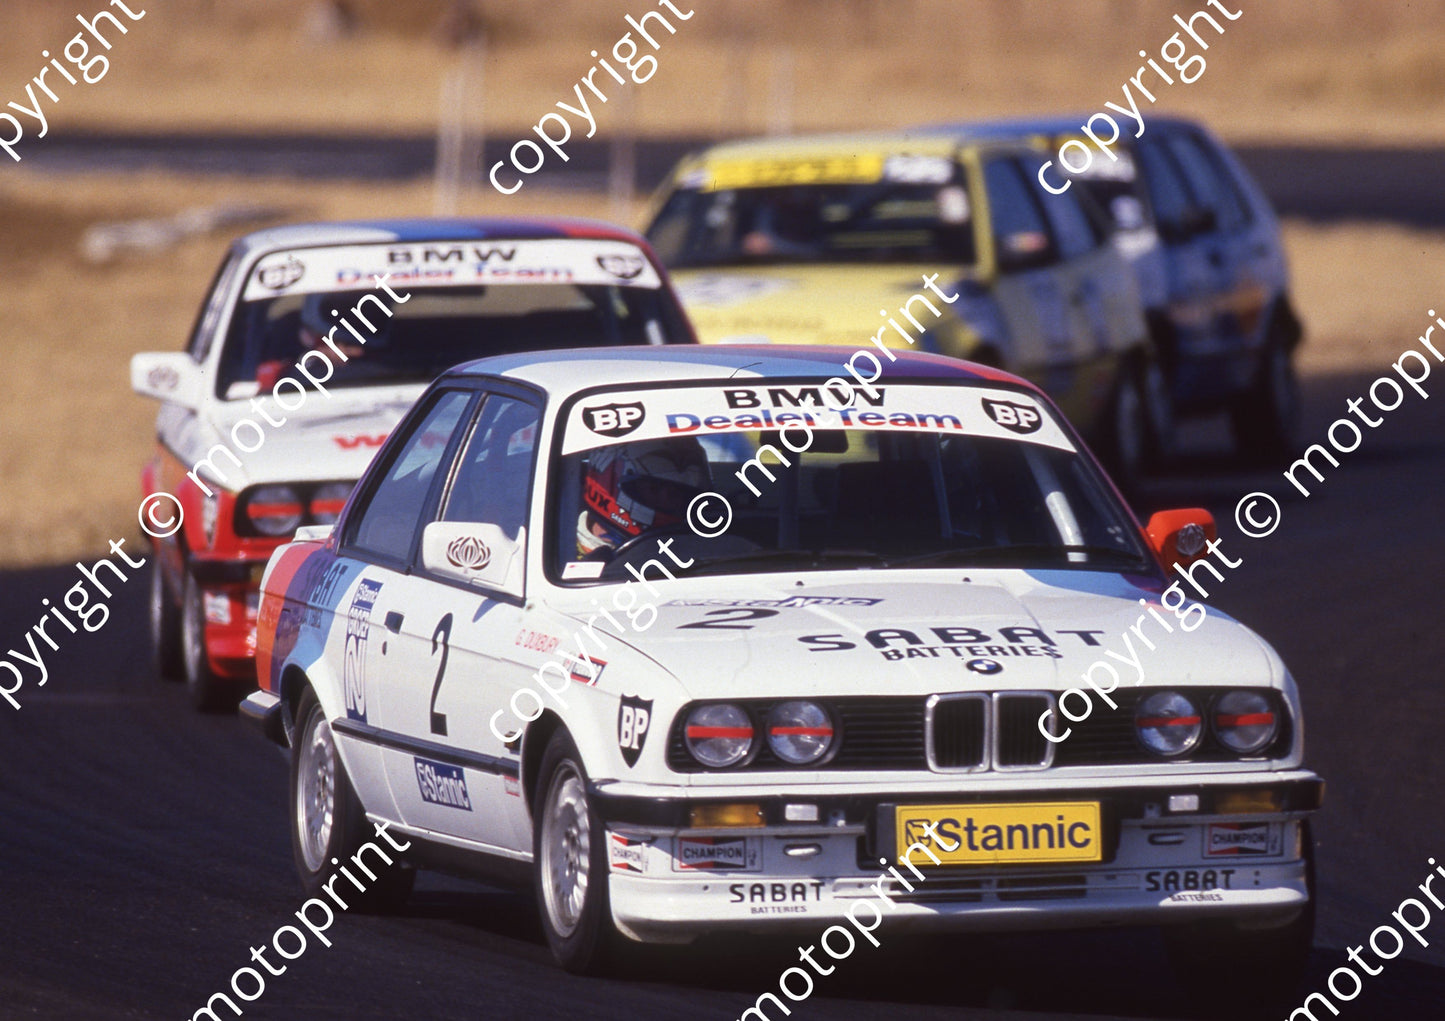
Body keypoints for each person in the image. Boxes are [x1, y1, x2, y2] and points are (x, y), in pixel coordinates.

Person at [577, 437, 710, 558]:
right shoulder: (563, 565)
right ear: (609, 482)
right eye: (655, 489)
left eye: (679, 493)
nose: (670, 501)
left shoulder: (702, 548)